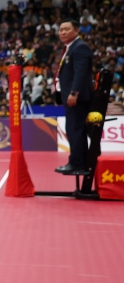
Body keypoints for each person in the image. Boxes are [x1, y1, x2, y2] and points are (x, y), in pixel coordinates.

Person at [55, 20, 93, 174]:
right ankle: (81, 162)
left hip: (77, 98)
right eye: (61, 29)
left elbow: (80, 72)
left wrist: (74, 93)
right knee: (75, 129)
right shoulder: (69, 49)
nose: (63, 32)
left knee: (75, 130)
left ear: (76, 30)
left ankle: (77, 163)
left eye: (67, 29)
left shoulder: (80, 47)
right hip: (71, 97)